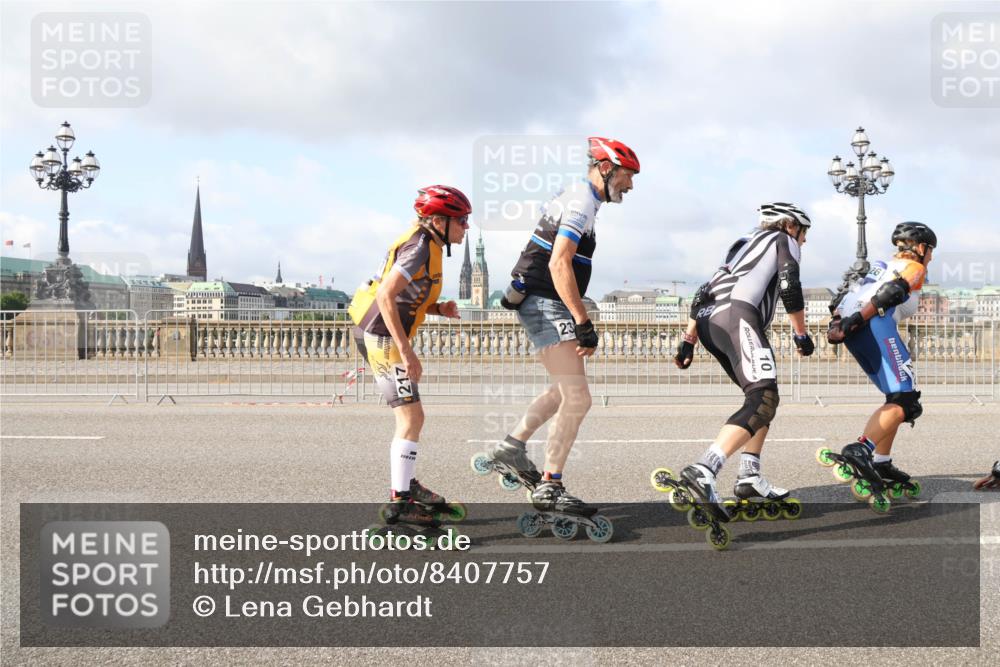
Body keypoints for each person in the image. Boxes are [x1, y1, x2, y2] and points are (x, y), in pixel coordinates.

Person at [487, 136, 640, 517]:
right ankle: (550, 486)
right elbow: (559, 263)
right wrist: (583, 321)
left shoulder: (578, 198)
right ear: (606, 168)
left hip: (541, 300)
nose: (631, 185)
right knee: (578, 397)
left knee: (563, 390)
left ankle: (511, 446)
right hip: (545, 301)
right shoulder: (582, 201)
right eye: (627, 175)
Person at [672, 202, 815, 521]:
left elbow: (702, 293)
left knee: (761, 399)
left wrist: (688, 341)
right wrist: (801, 335)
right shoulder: (783, 239)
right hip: (738, 316)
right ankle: (705, 468)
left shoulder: (741, 244)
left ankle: (749, 475)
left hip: (709, 321)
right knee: (763, 398)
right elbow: (790, 285)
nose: (803, 241)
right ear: (791, 225)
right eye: (804, 233)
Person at [348, 185, 471, 526]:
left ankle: (406, 484)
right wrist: (407, 351)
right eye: (460, 220)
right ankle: (400, 500)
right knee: (411, 419)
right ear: (437, 221)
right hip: (382, 336)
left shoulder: (428, 243)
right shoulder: (418, 247)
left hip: (380, 333)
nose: (466, 227)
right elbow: (387, 296)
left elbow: (408, 296)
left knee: (413, 418)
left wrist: (437, 307)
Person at [826, 222, 937, 504]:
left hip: (856, 332)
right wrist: (858, 320)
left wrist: (840, 324)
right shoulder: (913, 267)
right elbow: (891, 294)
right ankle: (861, 450)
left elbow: (841, 299)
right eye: (931, 251)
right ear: (921, 248)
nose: (932, 258)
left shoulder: (878, 266)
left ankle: (881, 461)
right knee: (905, 402)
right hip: (872, 326)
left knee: (896, 399)